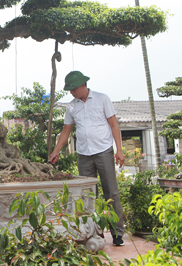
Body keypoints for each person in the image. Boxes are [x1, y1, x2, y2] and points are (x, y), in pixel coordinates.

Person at [48, 71, 126, 246]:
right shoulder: (71, 107)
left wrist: (119, 150)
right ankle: (94, 232)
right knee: (88, 196)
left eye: (74, 89)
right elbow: (66, 131)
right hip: (84, 154)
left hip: (103, 151)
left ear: (83, 85)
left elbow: (114, 125)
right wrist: (56, 151)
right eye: (69, 90)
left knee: (111, 192)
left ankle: (117, 233)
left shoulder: (102, 99)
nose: (72, 93)